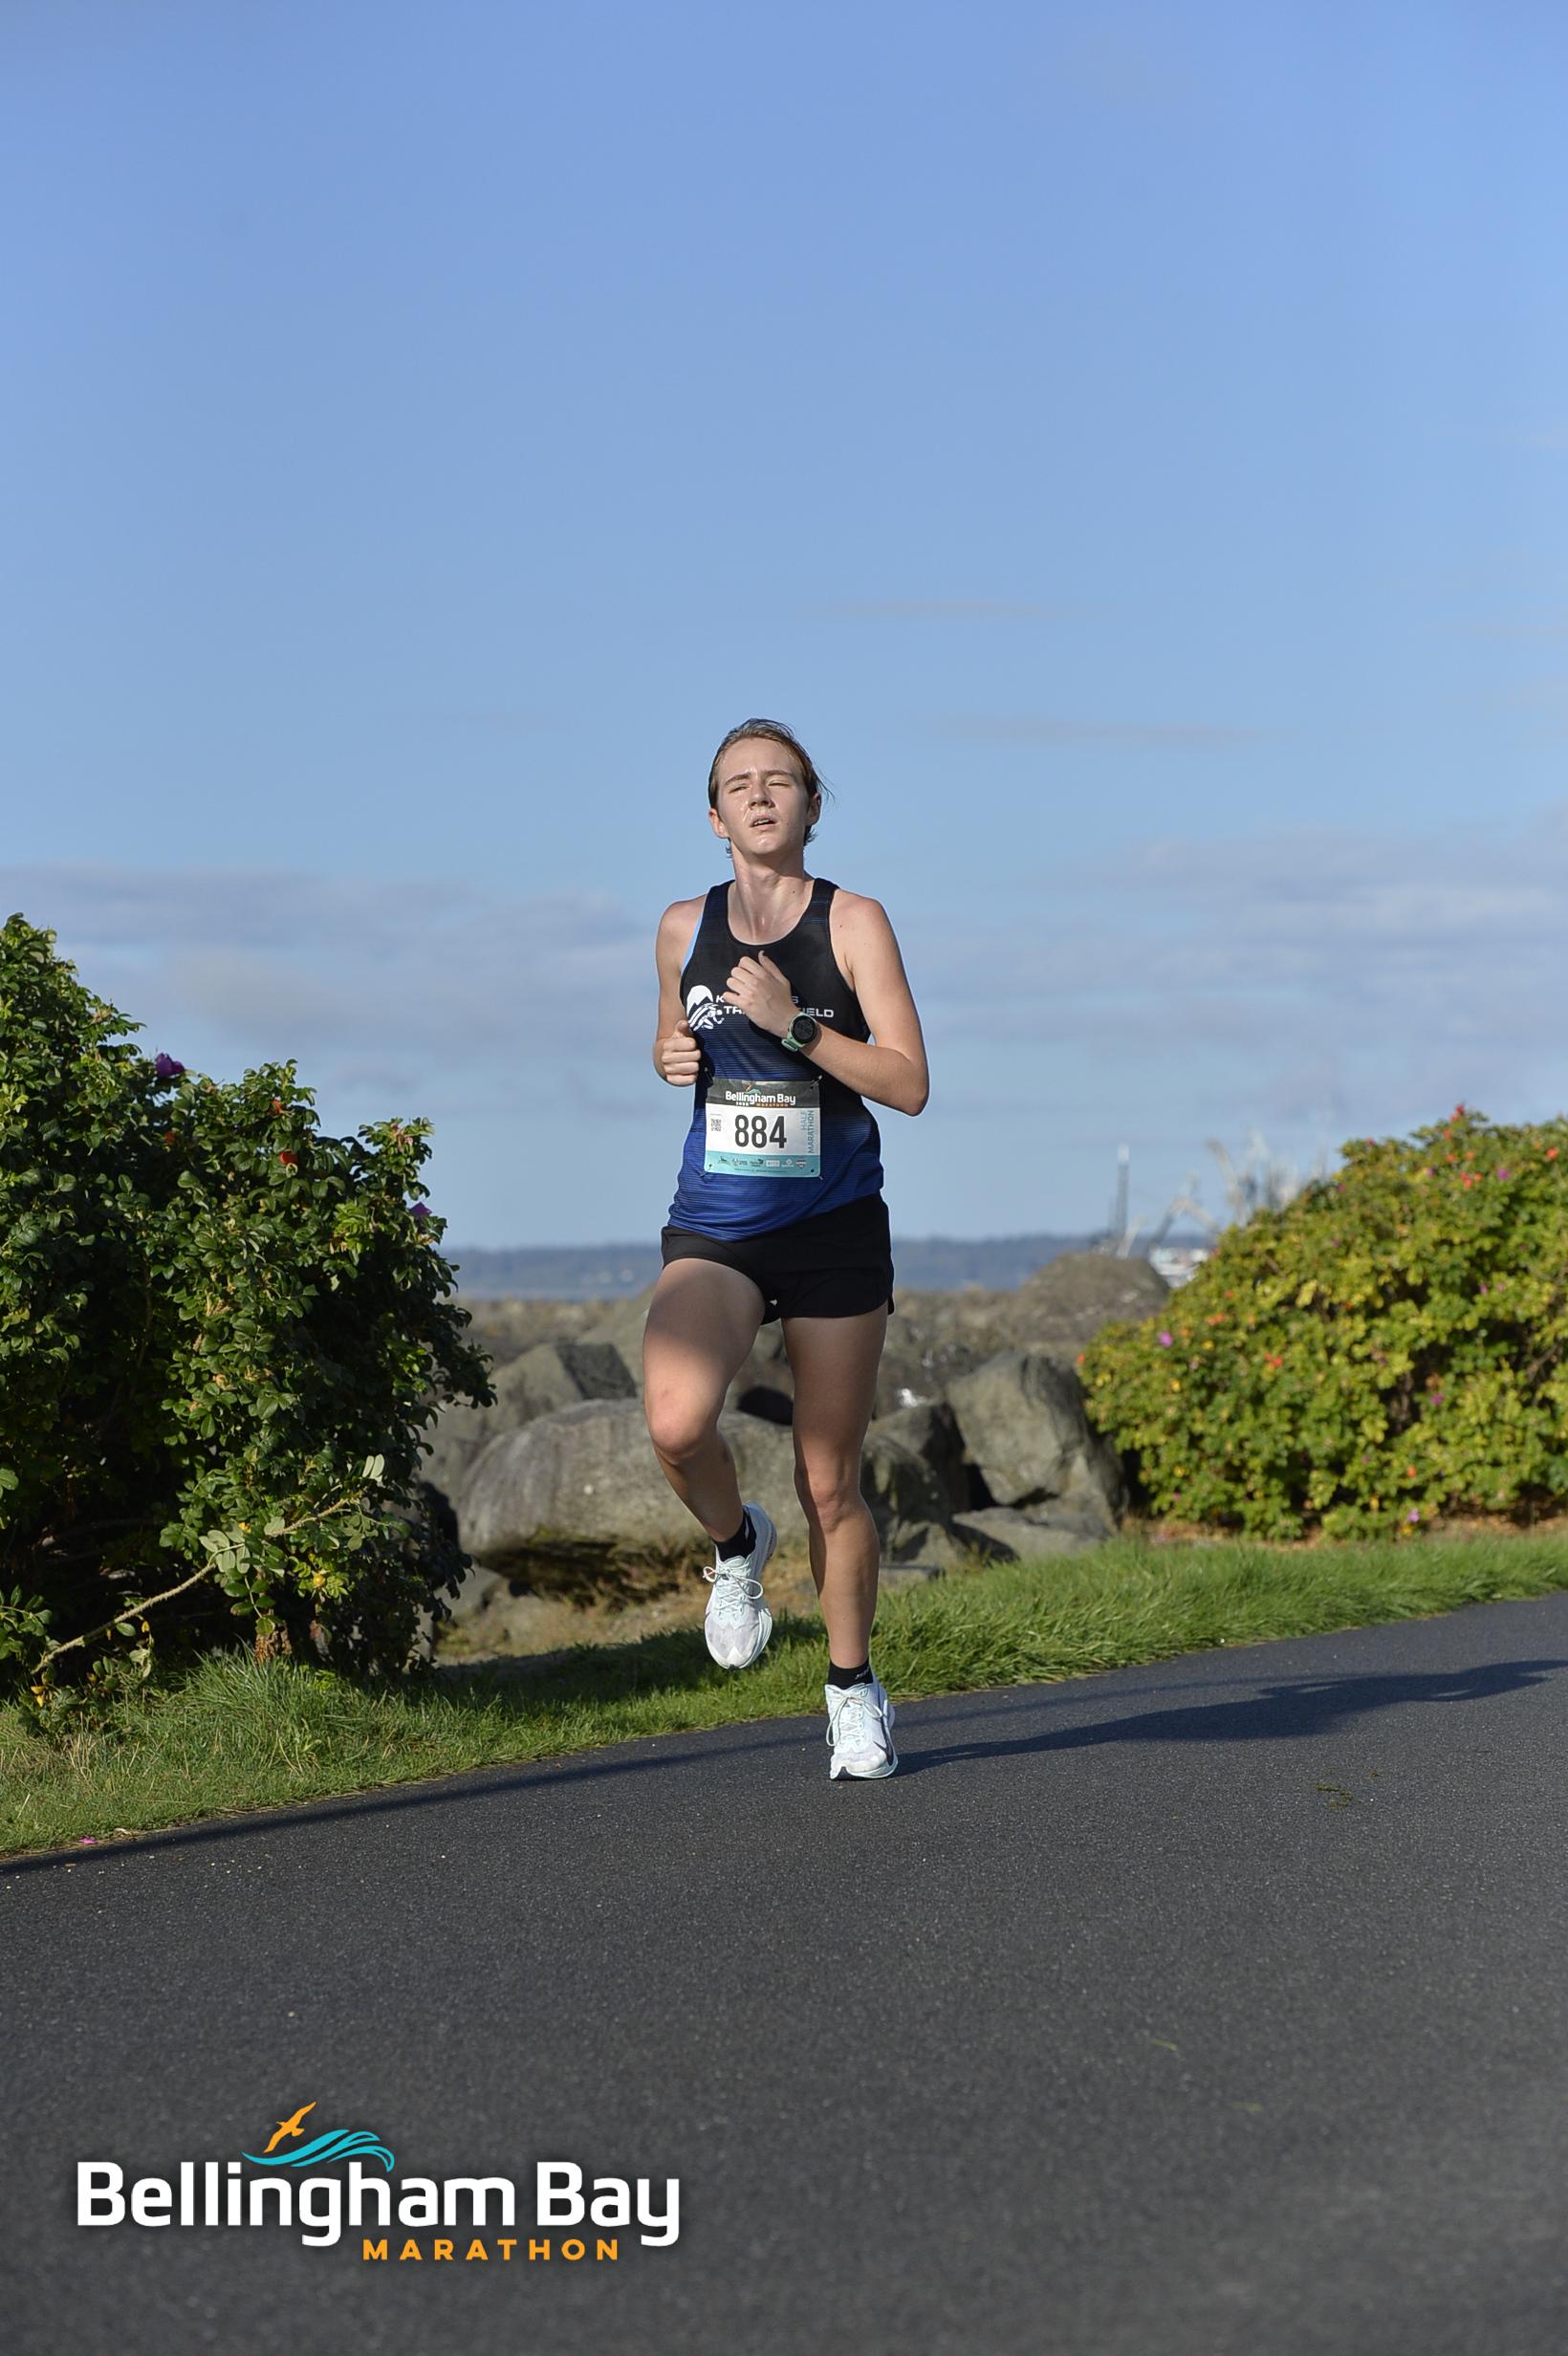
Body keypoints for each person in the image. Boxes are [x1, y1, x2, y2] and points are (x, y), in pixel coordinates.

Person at [642, 718, 929, 1779]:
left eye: (781, 781)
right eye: (739, 785)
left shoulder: (853, 921)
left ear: (811, 804)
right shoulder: (682, 926)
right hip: (718, 1224)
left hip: (832, 1228)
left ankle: (852, 1690)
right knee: (676, 1424)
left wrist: (796, 1024)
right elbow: (673, 1037)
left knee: (828, 1481)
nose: (760, 796)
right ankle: (735, 1548)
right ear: (714, 817)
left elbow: (908, 1082)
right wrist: (669, 1054)